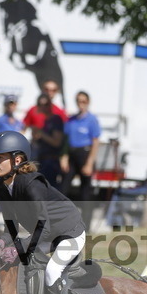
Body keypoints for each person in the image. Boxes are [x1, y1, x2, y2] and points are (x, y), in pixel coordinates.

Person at [0, 130, 86, 294]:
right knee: (23, 267)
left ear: (17, 159)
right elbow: (9, 225)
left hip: (69, 232)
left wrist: (20, 247)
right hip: (45, 233)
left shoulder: (31, 184)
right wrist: (4, 242)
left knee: (52, 271)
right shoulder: (0, 187)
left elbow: (46, 226)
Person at [61, 90, 102, 224]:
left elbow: (95, 141)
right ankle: (61, 221)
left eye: (84, 101)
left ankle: (86, 224)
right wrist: (65, 156)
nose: (81, 104)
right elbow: (66, 139)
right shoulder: (72, 120)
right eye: (79, 101)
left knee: (85, 192)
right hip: (72, 155)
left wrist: (90, 162)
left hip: (85, 154)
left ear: (88, 102)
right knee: (63, 188)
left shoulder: (91, 120)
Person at [25, 93, 64, 187]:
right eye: (40, 105)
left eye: (46, 104)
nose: (43, 107)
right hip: (42, 160)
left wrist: (41, 134)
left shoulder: (55, 120)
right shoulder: (46, 121)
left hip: (50, 161)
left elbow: (56, 142)